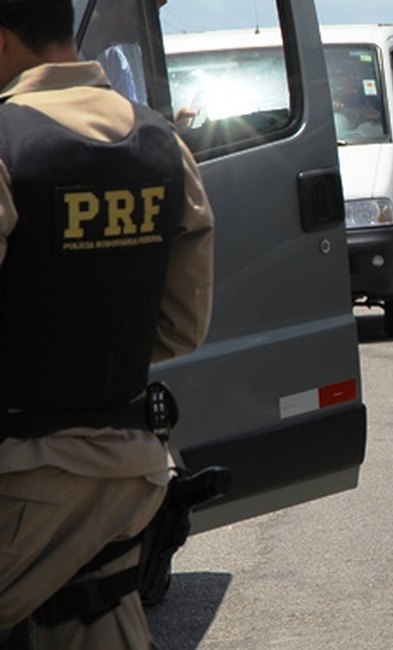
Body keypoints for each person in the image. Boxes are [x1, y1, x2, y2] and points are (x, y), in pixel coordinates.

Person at [0, 1, 214, 647]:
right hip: (130, 472)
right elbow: (183, 328)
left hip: (21, 476)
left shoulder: (4, 139)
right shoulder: (160, 140)